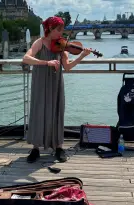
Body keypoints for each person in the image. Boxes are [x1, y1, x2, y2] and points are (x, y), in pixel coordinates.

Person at [22, 16, 92, 163]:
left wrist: (81, 56)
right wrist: (46, 62)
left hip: (55, 83)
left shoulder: (61, 45)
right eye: (58, 30)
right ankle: (35, 149)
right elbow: (26, 58)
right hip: (40, 83)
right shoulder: (39, 42)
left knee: (56, 111)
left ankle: (59, 147)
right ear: (50, 29)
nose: (61, 33)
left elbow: (67, 67)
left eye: (62, 30)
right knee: (38, 111)